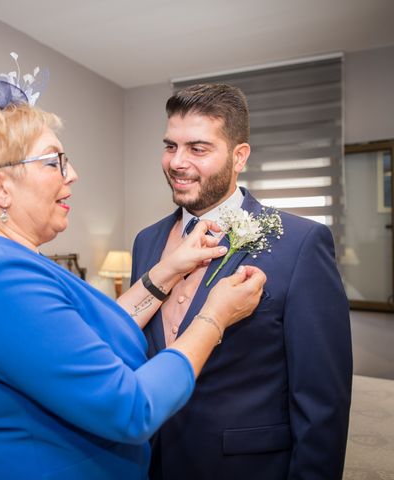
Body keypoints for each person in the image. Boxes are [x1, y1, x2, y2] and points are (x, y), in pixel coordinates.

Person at [0, 60, 266, 480]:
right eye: (53, 162)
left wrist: (166, 271)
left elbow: (87, 339)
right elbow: (131, 409)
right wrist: (216, 316)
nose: (73, 174)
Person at [131, 83, 353, 480]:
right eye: (170, 146)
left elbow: (322, 403)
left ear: (239, 156)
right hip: (152, 460)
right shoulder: (146, 241)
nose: (177, 162)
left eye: (198, 149)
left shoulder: (300, 243)